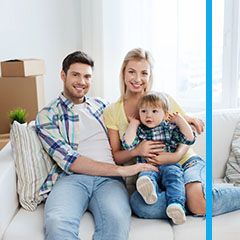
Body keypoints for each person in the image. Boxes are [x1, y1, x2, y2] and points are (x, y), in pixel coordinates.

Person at [103, 47, 240, 220]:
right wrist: (137, 150)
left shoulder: (162, 100)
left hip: (185, 161)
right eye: (132, 72)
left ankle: (192, 198)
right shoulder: (113, 111)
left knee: (198, 204)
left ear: (150, 76)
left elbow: (187, 132)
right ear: (123, 73)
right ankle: (183, 199)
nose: (138, 79)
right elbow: (116, 156)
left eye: (144, 73)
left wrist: (174, 156)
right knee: (141, 206)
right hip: (153, 173)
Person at [35, 50, 158, 240]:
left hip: (109, 182)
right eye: (75, 75)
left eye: (87, 77)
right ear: (63, 75)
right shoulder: (47, 115)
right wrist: (121, 171)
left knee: (117, 223)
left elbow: (148, 114)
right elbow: (71, 161)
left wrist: (184, 120)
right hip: (72, 179)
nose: (82, 82)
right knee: (57, 223)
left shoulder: (102, 106)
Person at [122, 93, 196, 224]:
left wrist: (180, 121)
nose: (148, 115)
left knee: (175, 178)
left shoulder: (170, 128)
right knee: (145, 175)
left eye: (154, 111)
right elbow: (128, 144)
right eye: (143, 111)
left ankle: (176, 205)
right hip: (148, 166)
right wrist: (133, 124)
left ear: (166, 114)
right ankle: (150, 191)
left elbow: (189, 139)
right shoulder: (140, 131)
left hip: (170, 165)